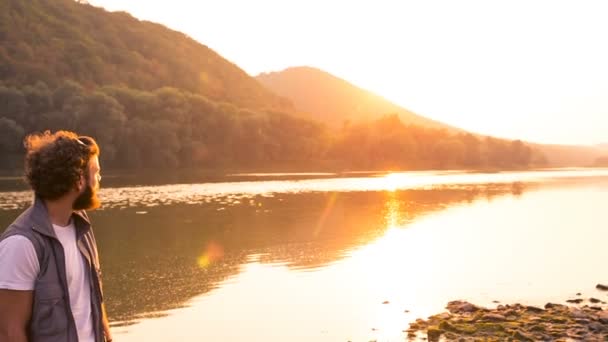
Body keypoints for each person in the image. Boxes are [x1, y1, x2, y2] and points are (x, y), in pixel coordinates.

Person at [0, 131, 112, 342]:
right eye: (95, 172)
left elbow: (92, 296)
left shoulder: (82, 225)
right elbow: (9, 332)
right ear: (79, 180)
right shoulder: (20, 244)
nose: (99, 179)